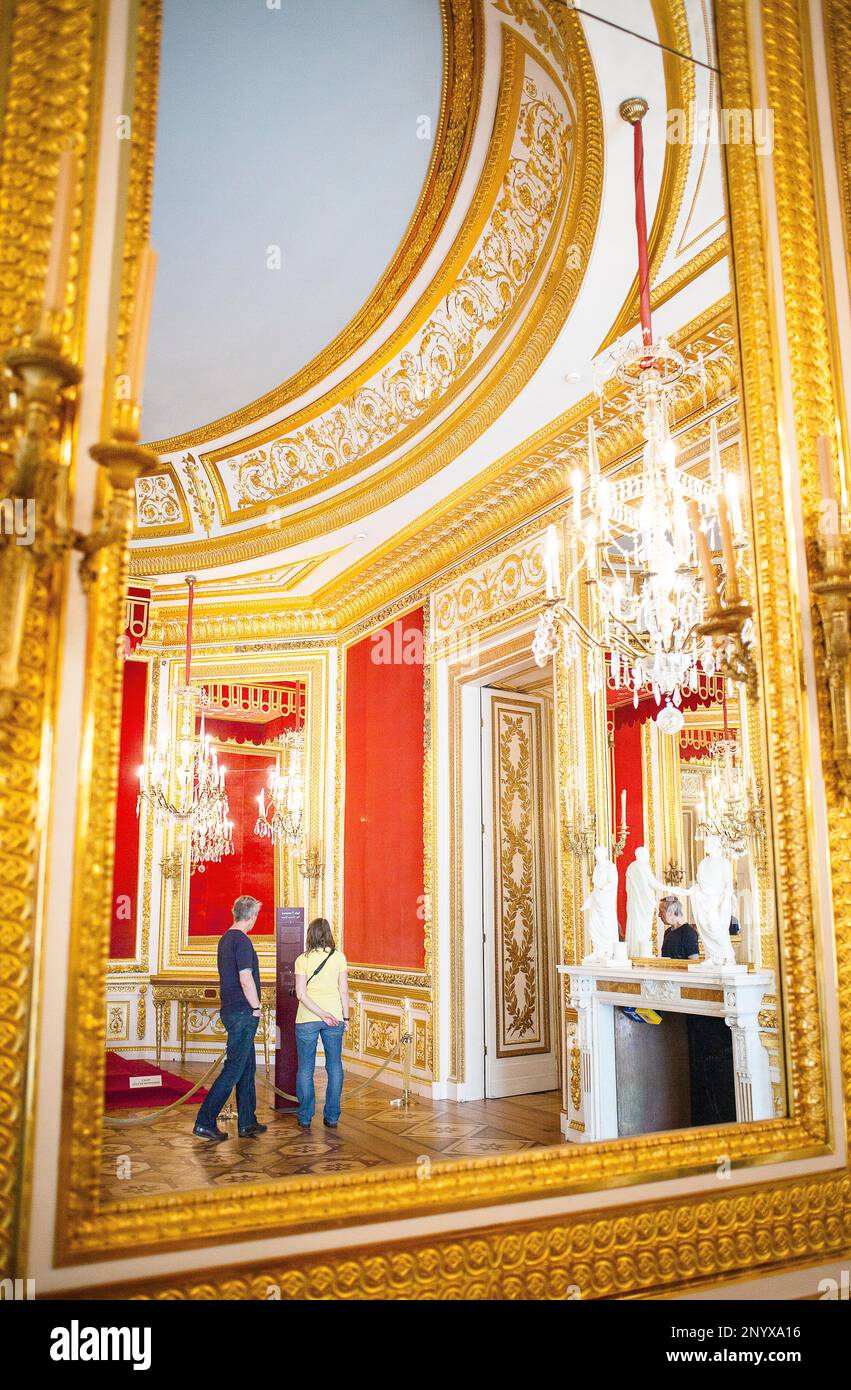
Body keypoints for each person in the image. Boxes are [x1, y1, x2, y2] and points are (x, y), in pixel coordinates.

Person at [193, 895, 267, 1143]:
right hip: (243, 1012)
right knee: (234, 1068)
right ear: (251, 916)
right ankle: (205, 1121)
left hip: (231, 1009)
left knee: (247, 1067)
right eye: (256, 914)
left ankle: (247, 1121)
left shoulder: (225, 939)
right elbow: (246, 978)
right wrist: (256, 1007)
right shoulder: (242, 941)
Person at [659, 895, 736, 1126]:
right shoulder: (667, 933)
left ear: (672, 911)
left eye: (661, 911)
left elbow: (693, 962)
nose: (659, 915)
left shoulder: (688, 933)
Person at [294, 918, 349, 1131]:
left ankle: (306, 1116)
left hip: (307, 1018)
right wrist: (345, 1018)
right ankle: (332, 1116)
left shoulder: (302, 959)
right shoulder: (339, 958)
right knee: (334, 1066)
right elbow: (343, 990)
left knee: (305, 1069)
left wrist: (319, 1013)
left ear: (310, 935)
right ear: (328, 934)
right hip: (334, 1017)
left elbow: (301, 994)